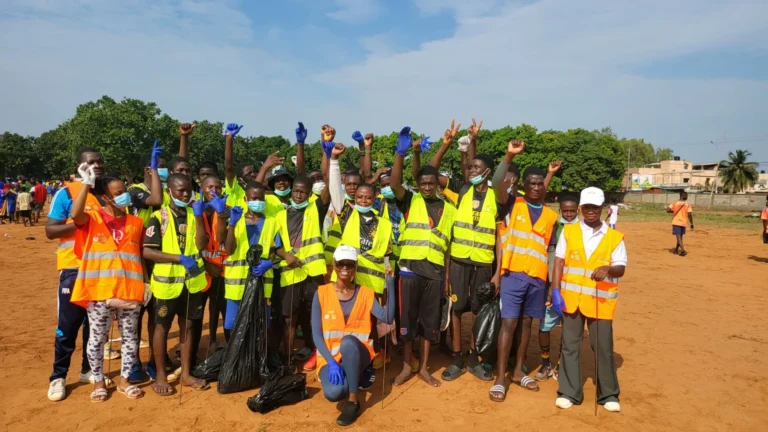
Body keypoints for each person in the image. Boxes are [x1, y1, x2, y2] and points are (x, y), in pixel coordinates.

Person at [426, 118, 501, 382]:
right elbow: (431, 174)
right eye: (469, 168)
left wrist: (497, 274)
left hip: (483, 263)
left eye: (477, 168)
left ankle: (475, 358)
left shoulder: (497, 198)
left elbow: (500, 239)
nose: (471, 171)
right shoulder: (460, 189)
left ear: (488, 172)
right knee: (457, 311)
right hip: (458, 262)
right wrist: (447, 145)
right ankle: (457, 358)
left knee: (479, 311)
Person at [69, 165, 146, 402]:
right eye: (118, 192)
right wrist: (85, 184)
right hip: (99, 290)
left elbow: (139, 255)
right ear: (105, 197)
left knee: (130, 337)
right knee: (97, 338)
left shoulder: (136, 222)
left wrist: (145, 285)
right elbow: (75, 214)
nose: (124, 195)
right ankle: (99, 382)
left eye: (125, 190)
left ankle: (124, 381)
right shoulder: (93, 219)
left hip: (130, 290)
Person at [489, 139, 559, 401]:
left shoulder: (551, 216)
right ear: (524, 185)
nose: (536, 186)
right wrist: (508, 155)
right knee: (508, 324)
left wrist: (552, 285)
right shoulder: (511, 204)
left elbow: (550, 252)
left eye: (540, 183)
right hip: (513, 275)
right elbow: (496, 182)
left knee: (528, 324)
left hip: (537, 279)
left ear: (544, 186)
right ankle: (499, 378)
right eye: (531, 183)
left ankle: (518, 371)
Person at [388, 126, 457, 388]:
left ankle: (425, 369)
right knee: (407, 322)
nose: (427, 186)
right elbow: (394, 183)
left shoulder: (448, 209)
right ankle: (407, 366)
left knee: (429, 324)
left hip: (435, 272)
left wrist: (447, 278)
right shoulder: (411, 201)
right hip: (409, 270)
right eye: (423, 183)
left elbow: (448, 248)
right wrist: (400, 154)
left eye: (431, 183)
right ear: (418, 185)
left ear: (437, 184)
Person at [551, 187, 627, 413]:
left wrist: (608, 269)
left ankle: (608, 393)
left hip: (600, 301)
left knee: (602, 347)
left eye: (595, 207)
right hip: (571, 299)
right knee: (570, 346)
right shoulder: (569, 231)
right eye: (587, 208)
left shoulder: (614, 237)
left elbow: (621, 267)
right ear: (581, 208)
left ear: (602, 208)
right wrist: (555, 290)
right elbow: (559, 262)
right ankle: (569, 391)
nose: (591, 212)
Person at [45, 148, 106, 401]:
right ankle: (58, 376)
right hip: (73, 268)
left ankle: (87, 369)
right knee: (68, 326)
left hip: (101, 270)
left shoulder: (107, 193)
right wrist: (80, 222)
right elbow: (51, 230)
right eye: (90, 162)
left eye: (99, 161)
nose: (96, 165)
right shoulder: (67, 192)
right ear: (80, 166)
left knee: (95, 326)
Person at [142, 173, 211, 395]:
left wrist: (200, 217)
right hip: (167, 285)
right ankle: (161, 375)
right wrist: (178, 258)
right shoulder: (158, 217)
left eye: (188, 190)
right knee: (162, 327)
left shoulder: (194, 215)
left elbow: (201, 244)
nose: (185, 194)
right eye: (180, 190)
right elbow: (147, 251)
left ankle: (186, 373)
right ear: (169, 191)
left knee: (188, 326)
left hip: (192, 283)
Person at [327, 143, 394, 371]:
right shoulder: (347, 214)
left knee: (372, 321)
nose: (363, 201)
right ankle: (347, 355)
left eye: (368, 197)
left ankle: (372, 354)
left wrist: (388, 275)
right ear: (355, 198)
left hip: (373, 282)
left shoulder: (384, 224)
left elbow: (387, 254)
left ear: (375, 197)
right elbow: (335, 189)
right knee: (348, 319)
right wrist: (333, 160)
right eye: (360, 197)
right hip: (351, 280)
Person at [313, 245, 395, 426]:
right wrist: (332, 362)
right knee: (334, 393)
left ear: (355, 267)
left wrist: (390, 283)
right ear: (334, 265)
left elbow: (387, 317)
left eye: (350, 264)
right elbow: (317, 335)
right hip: (331, 358)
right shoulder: (321, 293)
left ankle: (353, 400)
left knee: (349, 343)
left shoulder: (365, 293)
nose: (345, 268)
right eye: (341, 263)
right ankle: (354, 375)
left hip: (359, 351)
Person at [274, 170, 331, 371]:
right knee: (289, 317)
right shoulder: (279, 216)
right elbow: (275, 245)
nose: (299, 195)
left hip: (313, 273)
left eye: (303, 192)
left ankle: (315, 352)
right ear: (291, 192)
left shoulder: (315, 210)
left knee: (313, 315)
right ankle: (289, 359)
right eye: (296, 191)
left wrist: (330, 155)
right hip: (290, 274)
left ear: (309, 195)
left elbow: (329, 187)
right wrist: (285, 255)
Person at [222, 181, 280, 343]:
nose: (258, 202)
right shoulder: (236, 221)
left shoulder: (272, 222)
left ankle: (256, 361)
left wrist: (269, 263)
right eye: (254, 198)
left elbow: (275, 251)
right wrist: (232, 224)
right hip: (237, 286)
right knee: (233, 325)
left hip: (262, 284)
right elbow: (229, 249)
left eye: (261, 198)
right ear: (246, 199)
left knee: (260, 324)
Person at [534, 193, 579, 382]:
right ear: (560, 210)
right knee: (545, 326)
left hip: (574, 286)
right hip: (553, 285)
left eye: (572, 211)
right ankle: (545, 364)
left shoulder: (582, 229)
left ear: (578, 210)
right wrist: (553, 286)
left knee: (568, 328)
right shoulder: (555, 226)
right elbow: (551, 255)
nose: (568, 214)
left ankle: (561, 364)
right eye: (565, 211)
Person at [199, 175, 229, 349]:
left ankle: (219, 341)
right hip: (202, 270)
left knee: (221, 309)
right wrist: (206, 265)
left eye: (218, 187)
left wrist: (222, 214)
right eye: (210, 187)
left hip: (222, 270)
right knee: (199, 311)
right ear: (202, 189)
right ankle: (206, 341)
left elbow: (225, 239)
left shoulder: (228, 210)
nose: (214, 191)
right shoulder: (195, 211)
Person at [667, 191, 694, 256]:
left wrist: (673, 211)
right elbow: (690, 214)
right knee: (680, 237)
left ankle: (682, 250)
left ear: (680, 196)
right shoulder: (688, 205)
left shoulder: (675, 203)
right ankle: (677, 250)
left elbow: (668, 210)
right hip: (683, 222)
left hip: (676, 222)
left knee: (679, 238)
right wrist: (692, 223)